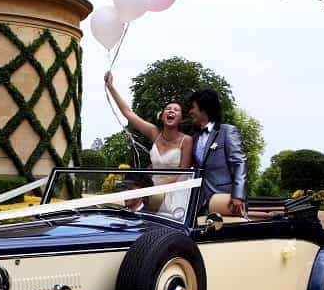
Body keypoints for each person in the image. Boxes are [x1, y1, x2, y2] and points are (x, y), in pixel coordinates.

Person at [104, 71, 192, 217]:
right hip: (150, 192)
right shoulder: (154, 133)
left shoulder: (186, 140)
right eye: (168, 109)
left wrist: (152, 188)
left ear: (181, 118)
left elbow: (183, 174)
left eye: (176, 110)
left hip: (175, 193)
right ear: (162, 116)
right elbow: (128, 113)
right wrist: (111, 87)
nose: (171, 111)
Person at [188, 89, 247, 216]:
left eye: (193, 107)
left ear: (203, 109)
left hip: (226, 201)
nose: (190, 112)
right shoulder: (194, 138)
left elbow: (239, 163)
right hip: (199, 204)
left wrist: (238, 195)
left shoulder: (227, 131)